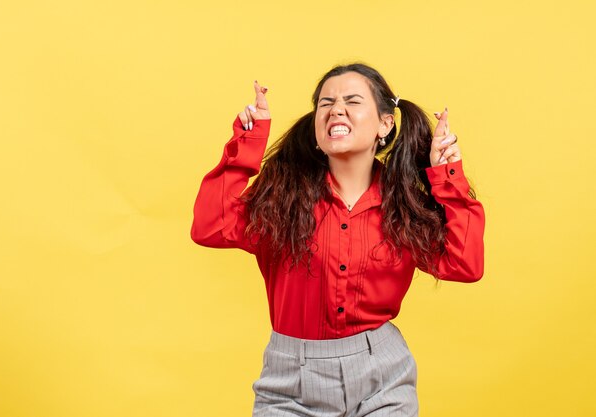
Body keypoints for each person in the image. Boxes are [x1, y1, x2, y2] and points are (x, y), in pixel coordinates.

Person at [191, 63, 485, 417]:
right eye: (326, 103)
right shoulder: (282, 197)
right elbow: (210, 226)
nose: (336, 110)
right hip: (290, 386)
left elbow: (464, 264)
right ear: (317, 128)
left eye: (352, 101)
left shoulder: (403, 204)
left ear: (385, 123)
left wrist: (447, 177)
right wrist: (248, 143)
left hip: (383, 379)